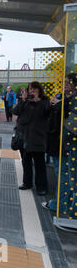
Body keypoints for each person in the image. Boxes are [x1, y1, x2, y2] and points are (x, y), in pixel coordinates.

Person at [43, 73, 77, 212]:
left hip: (68, 146)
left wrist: (59, 106)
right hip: (58, 144)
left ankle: (64, 207)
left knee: (67, 177)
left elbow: (73, 126)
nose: (64, 85)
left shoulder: (72, 101)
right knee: (63, 175)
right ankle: (62, 204)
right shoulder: (62, 98)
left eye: (67, 83)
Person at [13, 81, 51, 196]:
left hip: (38, 138)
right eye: (30, 89)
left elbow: (48, 113)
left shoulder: (45, 101)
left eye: (34, 89)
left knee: (39, 164)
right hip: (24, 137)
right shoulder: (26, 101)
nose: (32, 91)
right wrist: (22, 101)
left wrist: (38, 102)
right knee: (26, 162)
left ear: (39, 90)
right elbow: (15, 111)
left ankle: (41, 187)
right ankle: (27, 183)